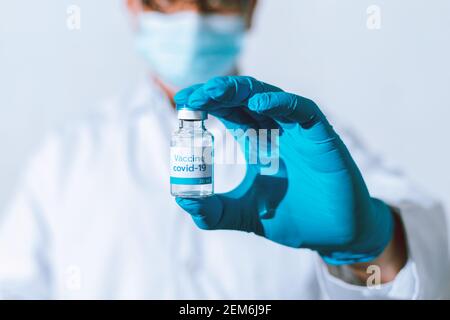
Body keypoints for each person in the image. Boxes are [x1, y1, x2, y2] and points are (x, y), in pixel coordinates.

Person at [0, 0, 449, 299]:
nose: (193, 17)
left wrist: (371, 241)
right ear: (134, 6)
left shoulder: (306, 139)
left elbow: (432, 252)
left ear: (250, 7)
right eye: (169, 0)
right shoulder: (66, 158)